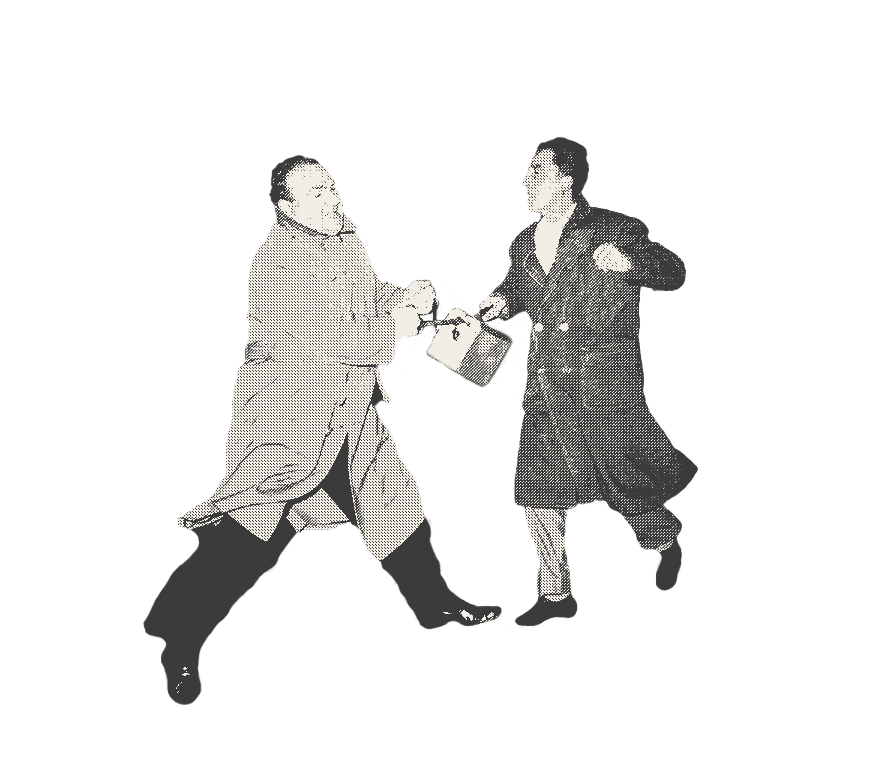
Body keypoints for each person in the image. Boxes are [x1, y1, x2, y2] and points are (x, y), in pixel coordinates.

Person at [143, 155, 503, 703]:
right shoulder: (275, 263)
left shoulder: (345, 238)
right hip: (288, 425)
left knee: (393, 505)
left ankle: (434, 605)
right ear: (287, 208)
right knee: (247, 541)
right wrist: (395, 327)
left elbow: (365, 299)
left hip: (349, 414)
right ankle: (179, 640)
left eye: (331, 187)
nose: (332, 199)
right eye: (316, 193)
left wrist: (408, 298)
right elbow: (331, 340)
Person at [478, 137, 697, 631]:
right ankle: (555, 594)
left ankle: (664, 539)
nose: (525, 182)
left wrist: (631, 264)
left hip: (602, 383)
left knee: (619, 475)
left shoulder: (614, 228)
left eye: (536, 172)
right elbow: (522, 290)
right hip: (546, 381)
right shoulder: (523, 241)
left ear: (565, 178)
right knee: (539, 492)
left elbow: (673, 270)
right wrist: (501, 301)